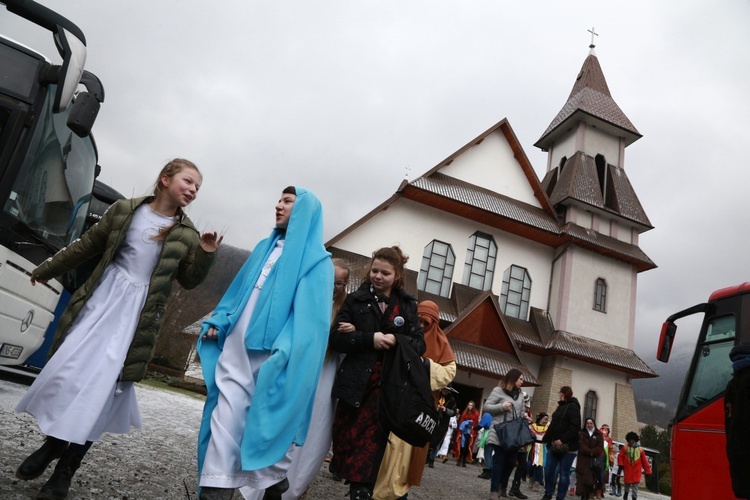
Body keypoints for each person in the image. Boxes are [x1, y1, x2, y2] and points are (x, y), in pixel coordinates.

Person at [15, 159, 221, 500]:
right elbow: (87, 245)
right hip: (101, 302)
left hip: (136, 318)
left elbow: (189, 279)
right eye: (188, 181)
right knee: (69, 373)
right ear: (165, 179)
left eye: (198, 187)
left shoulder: (187, 234)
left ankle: (66, 468)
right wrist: (48, 268)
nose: (193, 190)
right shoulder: (125, 210)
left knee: (103, 392)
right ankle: (53, 444)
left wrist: (206, 254)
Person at [196, 187, 333, 500]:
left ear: (305, 212)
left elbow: (310, 326)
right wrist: (220, 320)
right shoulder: (262, 248)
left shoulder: (318, 264)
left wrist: (285, 351)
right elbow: (236, 294)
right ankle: (215, 489)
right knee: (226, 415)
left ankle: (273, 481)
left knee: (263, 424)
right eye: (279, 199)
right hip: (235, 348)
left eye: (287, 202)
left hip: (272, 357)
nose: (278, 205)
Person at [239, 259, 351, 500]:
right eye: (330, 280)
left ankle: (291, 489)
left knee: (315, 431)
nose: (333, 287)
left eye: (339, 283)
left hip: (325, 374)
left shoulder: (345, 311)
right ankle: (259, 481)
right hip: (300, 367)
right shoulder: (306, 297)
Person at [329, 246, 425, 500]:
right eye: (375, 271)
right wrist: (368, 338)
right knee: (346, 443)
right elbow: (337, 338)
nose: (378, 277)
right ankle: (358, 487)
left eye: (385, 273)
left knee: (370, 450)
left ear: (397, 276)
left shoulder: (407, 305)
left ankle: (361, 491)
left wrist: (396, 339)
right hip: (355, 385)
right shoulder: (355, 300)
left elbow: (419, 344)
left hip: (386, 389)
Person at [373, 299, 457, 499]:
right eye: (417, 321)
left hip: (414, 411)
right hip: (389, 402)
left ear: (434, 324)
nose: (420, 326)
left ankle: (394, 494)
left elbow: (448, 372)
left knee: (403, 461)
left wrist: (424, 364)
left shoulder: (440, 344)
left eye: (425, 323)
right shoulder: (403, 331)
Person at [484, 368, 528, 499]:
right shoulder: (498, 391)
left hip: (514, 435)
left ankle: (502, 485)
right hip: (500, 432)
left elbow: (520, 411)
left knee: (511, 462)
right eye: (520, 379)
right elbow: (486, 407)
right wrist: (501, 407)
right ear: (513, 379)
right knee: (499, 461)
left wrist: (524, 415)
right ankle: (494, 490)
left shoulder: (520, 395)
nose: (522, 381)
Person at [541, 386, 581, 500]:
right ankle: (548, 493)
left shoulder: (573, 407)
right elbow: (554, 424)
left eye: (560, 393)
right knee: (549, 470)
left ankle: (560, 497)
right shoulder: (560, 406)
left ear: (563, 394)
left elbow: (575, 427)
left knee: (564, 473)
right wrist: (547, 439)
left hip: (568, 447)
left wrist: (562, 439)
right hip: (554, 445)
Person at [575, 418, 604, 500]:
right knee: (581, 478)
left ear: (593, 424)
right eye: (587, 423)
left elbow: (600, 447)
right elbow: (581, 445)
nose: (589, 425)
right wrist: (589, 452)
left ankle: (588, 495)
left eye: (591, 423)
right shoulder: (582, 433)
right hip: (583, 459)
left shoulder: (598, 434)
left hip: (593, 461)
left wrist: (592, 452)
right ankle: (582, 496)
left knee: (591, 480)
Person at [617, 432, 651, 500]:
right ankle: (626, 495)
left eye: (632, 440)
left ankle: (634, 498)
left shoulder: (640, 449)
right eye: (630, 440)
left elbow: (644, 461)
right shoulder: (625, 447)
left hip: (636, 471)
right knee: (627, 485)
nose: (631, 441)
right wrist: (621, 465)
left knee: (635, 487)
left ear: (635, 440)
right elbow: (620, 456)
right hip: (628, 470)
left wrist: (648, 470)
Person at [528, 412, 549, 491]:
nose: (546, 421)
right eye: (545, 419)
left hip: (542, 448)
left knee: (540, 465)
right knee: (531, 464)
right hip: (533, 447)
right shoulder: (532, 426)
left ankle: (537, 482)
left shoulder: (547, 428)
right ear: (540, 419)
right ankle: (531, 478)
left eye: (547, 420)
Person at [454, 400, 480, 465]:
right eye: (469, 405)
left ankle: (464, 460)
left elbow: (475, 423)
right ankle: (460, 459)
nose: (470, 406)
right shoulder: (465, 412)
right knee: (461, 445)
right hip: (463, 431)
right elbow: (461, 421)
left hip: (470, 432)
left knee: (467, 446)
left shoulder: (476, 413)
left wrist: (471, 425)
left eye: (471, 405)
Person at [599, 424, 614, 499]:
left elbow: (611, 450)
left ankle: (601, 490)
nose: (605, 430)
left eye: (606, 429)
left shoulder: (609, 439)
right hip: (598, 457)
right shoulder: (598, 437)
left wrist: (611, 459)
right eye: (603, 429)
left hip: (605, 459)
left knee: (604, 476)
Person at [477, 412, 494, 480]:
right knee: (490, 453)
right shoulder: (496, 415)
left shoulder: (488, 415)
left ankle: (487, 471)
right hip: (494, 435)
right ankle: (490, 471)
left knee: (487, 453)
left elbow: (482, 424)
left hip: (488, 434)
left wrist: (473, 427)